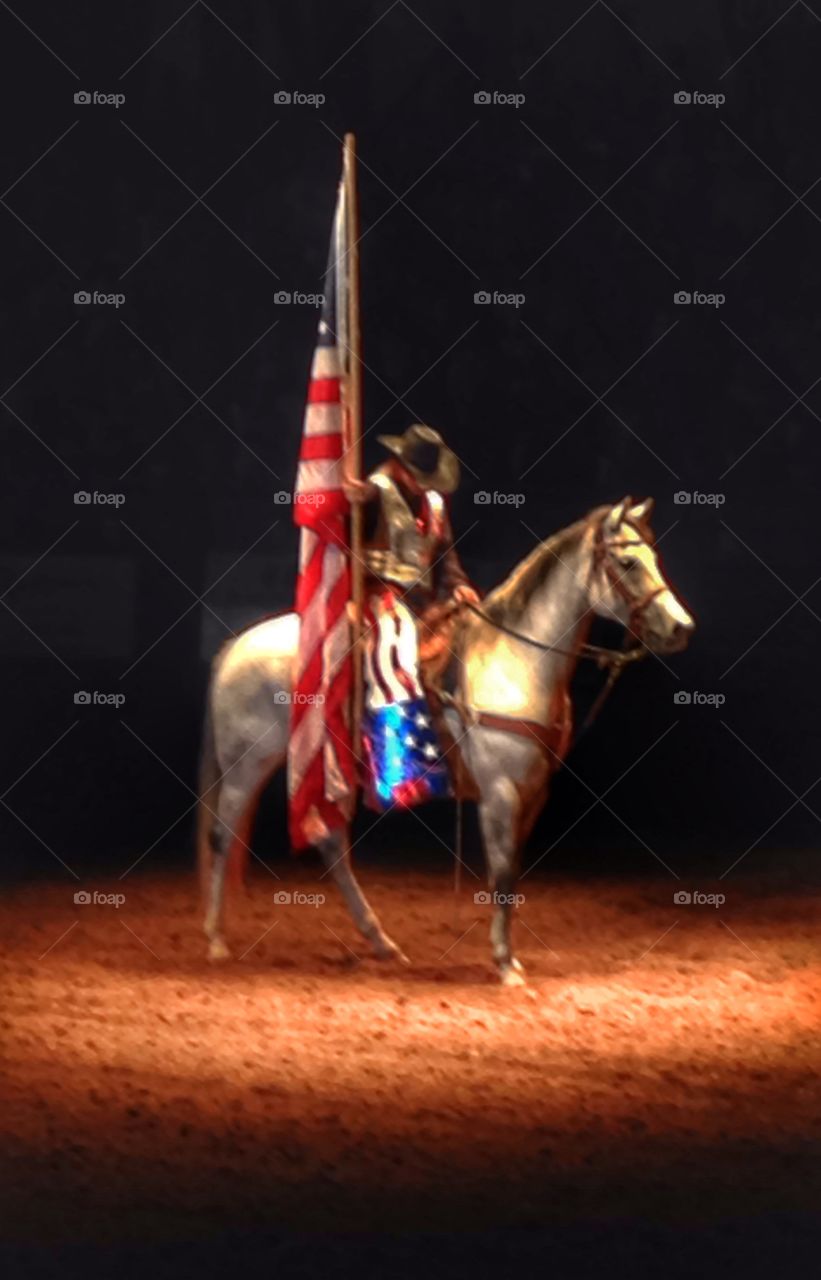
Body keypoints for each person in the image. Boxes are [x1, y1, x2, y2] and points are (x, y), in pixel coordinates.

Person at [344, 424, 479, 809]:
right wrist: (345, 503)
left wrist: (458, 584)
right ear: (400, 466)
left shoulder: (435, 504)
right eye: (418, 477)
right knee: (395, 647)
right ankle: (396, 767)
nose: (423, 485)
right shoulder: (373, 492)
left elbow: (445, 556)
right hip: (375, 592)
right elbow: (343, 539)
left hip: (422, 599)